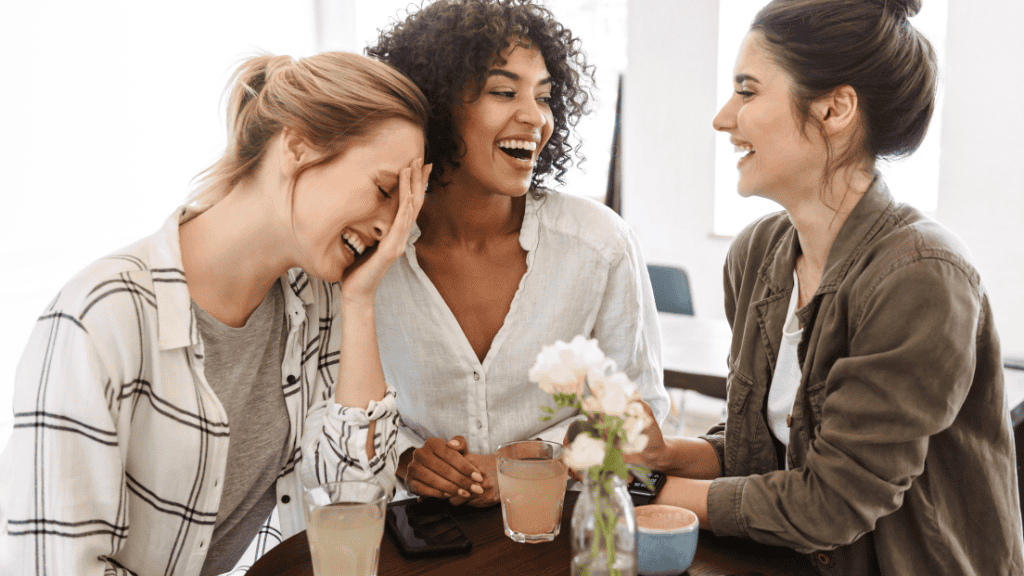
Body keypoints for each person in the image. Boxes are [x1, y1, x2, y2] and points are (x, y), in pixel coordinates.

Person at [627, 0, 1024, 573]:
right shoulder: (756, 254)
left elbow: (829, 504)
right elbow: (763, 453)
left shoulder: (923, 275)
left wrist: (639, 490)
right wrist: (669, 455)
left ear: (835, 109)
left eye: (747, 91)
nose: (722, 117)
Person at [0, 51, 432, 575]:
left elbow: (354, 502)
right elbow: (54, 567)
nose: (390, 229)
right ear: (296, 144)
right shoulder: (99, 320)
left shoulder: (317, 302)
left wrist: (360, 304)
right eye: (385, 190)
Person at [365, 0, 670, 507]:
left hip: (567, 527)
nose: (535, 117)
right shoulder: (371, 252)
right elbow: (327, 404)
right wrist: (405, 457)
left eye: (545, 97)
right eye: (504, 92)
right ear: (435, 106)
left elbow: (642, 428)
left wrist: (533, 461)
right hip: (420, 537)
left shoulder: (600, 245)